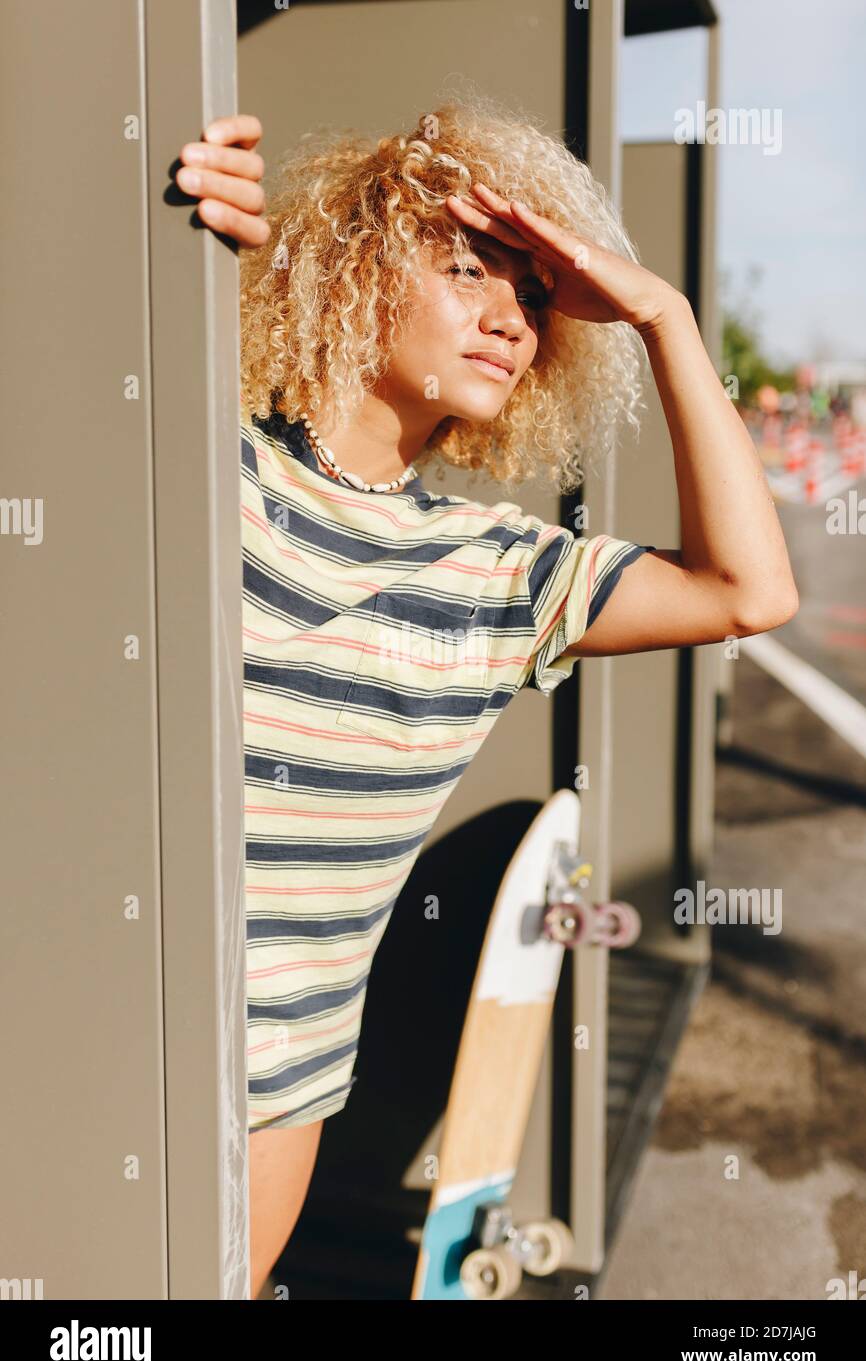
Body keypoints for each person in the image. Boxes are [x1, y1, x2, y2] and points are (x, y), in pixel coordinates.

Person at [174, 103, 798, 1298]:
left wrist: (659, 313)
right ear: (354, 264)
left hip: (271, 1110)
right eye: (466, 270)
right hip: (79, 1040)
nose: (510, 316)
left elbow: (745, 589)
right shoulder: (207, 470)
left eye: (537, 296)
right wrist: (163, 245)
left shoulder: (497, 572)